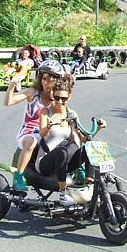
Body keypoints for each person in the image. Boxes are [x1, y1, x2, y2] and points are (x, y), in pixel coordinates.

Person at [36, 73, 104, 207]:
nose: (60, 102)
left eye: (64, 99)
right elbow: (42, 132)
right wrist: (50, 124)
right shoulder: (46, 112)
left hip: (66, 161)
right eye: (56, 98)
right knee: (62, 151)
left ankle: (90, 186)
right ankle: (62, 194)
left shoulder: (71, 114)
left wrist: (99, 129)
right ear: (52, 96)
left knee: (92, 147)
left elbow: (85, 138)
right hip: (46, 161)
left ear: (69, 97)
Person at [4, 60, 59, 191]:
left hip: (47, 132)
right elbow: (8, 102)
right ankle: (19, 176)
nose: (45, 83)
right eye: (44, 79)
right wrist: (12, 85)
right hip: (29, 132)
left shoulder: (58, 97)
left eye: (50, 80)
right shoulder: (32, 92)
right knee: (32, 141)